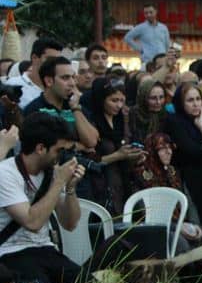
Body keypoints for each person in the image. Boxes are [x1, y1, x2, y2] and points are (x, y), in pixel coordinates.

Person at [0, 113, 85, 283]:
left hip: (44, 249)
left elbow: (70, 223)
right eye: (59, 150)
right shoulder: (5, 173)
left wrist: (70, 188)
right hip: (10, 253)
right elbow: (32, 221)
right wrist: (58, 182)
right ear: (40, 148)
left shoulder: (50, 175)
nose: (62, 157)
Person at [80, 78, 144, 215]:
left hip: (126, 183)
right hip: (101, 187)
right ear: (101, 99)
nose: (119, 105)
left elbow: (131, 141)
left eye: (122, 100)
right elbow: (88, 160)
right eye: (114, 100)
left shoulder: (123, 119)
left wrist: (136, 155)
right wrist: (117, 156)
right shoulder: (90, 123)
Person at [165, 83, 202, 230]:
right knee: (198, 221)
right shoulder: (174, 121)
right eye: (190, 100)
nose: (196, 104)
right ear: (180, 102)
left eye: (198, 99)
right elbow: (192, 150)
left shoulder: (201, 120)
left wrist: (201, 126)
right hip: (190, 179)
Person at [23, 57, 99, 149]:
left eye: (73, 77)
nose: (72, 83)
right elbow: (47, 147)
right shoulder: (35, 109)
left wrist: (75, 108)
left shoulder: (75, 106)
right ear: (49, 81)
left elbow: (92, 141)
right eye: (65, 78)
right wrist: (77, 145)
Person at [6, 38, 63, 110]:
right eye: (50, 59)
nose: (55, 64)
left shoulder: (59, 87)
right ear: (34, 58)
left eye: (58, 60)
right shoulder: (13, 84)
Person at [128, 79, 167, 144]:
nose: (158, 102)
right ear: (144, 98)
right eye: (153, 98)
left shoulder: (164, 115)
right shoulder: (132, 114)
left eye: (161, 97)